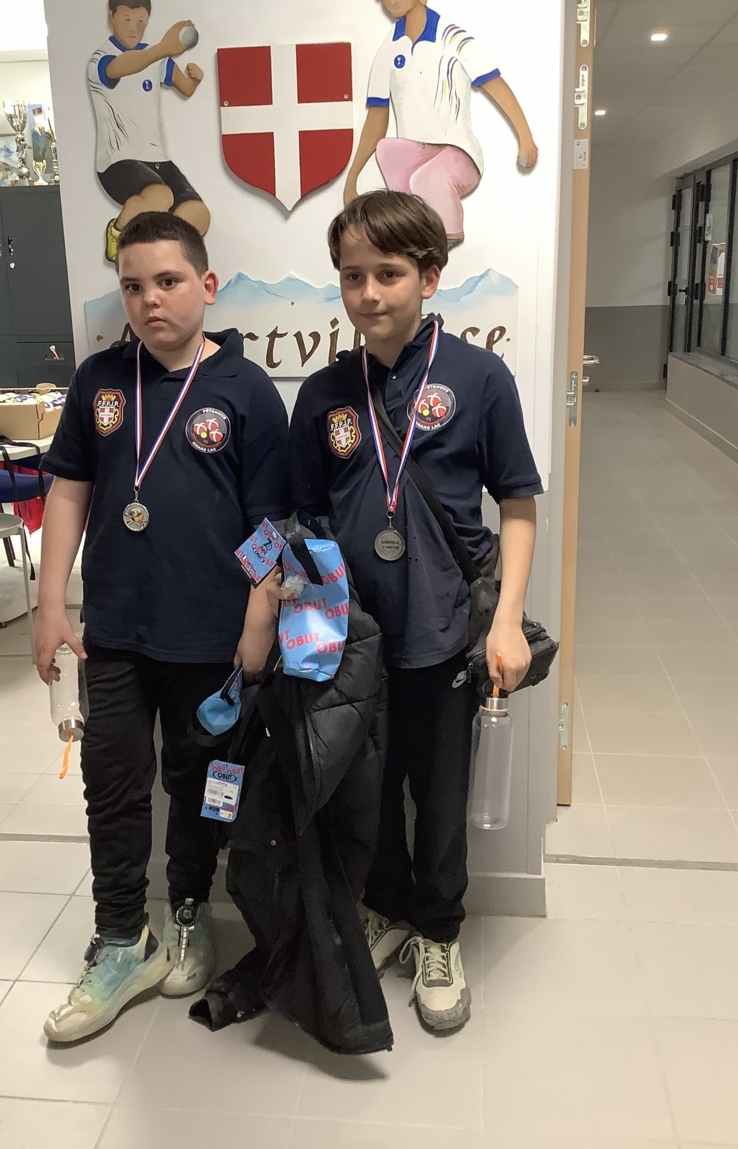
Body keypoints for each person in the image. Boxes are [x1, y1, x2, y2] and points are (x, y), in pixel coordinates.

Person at [289, 190, 542, 1031]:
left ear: (430, 277)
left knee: (437, 795)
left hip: (442, 633)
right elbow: (300, 516)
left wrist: (506, 620)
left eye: (389, 274)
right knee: (365, 789)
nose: (368, 293)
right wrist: (301, 616)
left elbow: (517, 504)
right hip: (352, 640)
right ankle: (388, 907)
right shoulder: (324, 393)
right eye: (352, 275)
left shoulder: (478, 378)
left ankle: (438, 931)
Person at [35, 211, 290, 1043]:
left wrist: (258, 618)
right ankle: (120, 940)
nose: (150, 300)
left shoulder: (246, 391)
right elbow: (68, 491)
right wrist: (49, 603)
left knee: (198, 777)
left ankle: (187, 910)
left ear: (206, 286)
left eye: (169, 282)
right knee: (111, 782)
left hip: (210, 634)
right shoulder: (100, 382)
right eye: (133, 286)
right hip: (113, 630)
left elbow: (268, 523)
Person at [343, 0, 538, 244]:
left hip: (458, 153)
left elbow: (493, 84)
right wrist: (352, 179)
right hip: (417, 151)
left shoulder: (452, 37)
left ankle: (448, 235)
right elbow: (377, 116)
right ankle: (411, 225)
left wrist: (525, 138)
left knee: (427, 178)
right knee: (387, 149)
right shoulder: (390, 47)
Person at [88, 0, 210, 264]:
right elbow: (123, 66)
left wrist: (194, 79)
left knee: (198, 215)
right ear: (111, 17)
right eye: (127, 19)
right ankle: (117, 232)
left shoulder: (157, 58)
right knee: (159, 195)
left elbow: (184, 87)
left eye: (141, 22)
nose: (134, 28)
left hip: (158, 158)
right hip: (118, 161)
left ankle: (161, 255)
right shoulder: (101, 59)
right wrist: (163, 48)